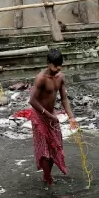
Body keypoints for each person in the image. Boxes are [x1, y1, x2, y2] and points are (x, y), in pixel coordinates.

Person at [28, 49, 78, 186]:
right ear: (48, 63)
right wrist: (49, 116)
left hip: (52, 116)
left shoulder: (60, 77)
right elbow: (32, 101)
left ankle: (47, 175)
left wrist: (71, 117)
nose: (58, 68)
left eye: (60, 65)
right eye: (55, 65)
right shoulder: (41, 78)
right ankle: (47, 177)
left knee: (54, 146)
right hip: (40, 117)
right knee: (44, 150)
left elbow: (64, 99)